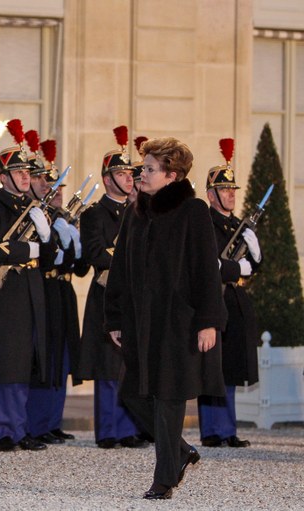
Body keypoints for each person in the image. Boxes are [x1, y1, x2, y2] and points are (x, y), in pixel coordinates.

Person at [105, 137, 227, 500]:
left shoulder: (193, 211)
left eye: (149, 169)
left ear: (172, 175)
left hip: (178, 323)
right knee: (132, 394)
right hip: (139, 322)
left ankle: (164, 479)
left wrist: (208, 321)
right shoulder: (137, 211)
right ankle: (181, 452)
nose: (140, 174)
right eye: (142, 168)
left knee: (169, 397)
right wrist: (114, 318)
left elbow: (206, 270)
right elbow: (119, 269)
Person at [0, 119, 57, 452]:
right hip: (3, 295)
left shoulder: (32, 209)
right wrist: (31, 249)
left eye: (26, 172)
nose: (24, 177)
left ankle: (21, 428)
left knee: (26, 362)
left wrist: (46, 236)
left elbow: (49, 257)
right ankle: (4, 431)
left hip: (31, 290)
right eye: (17, 172)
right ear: (3, 176)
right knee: (5, 362)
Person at [76, 126, 146, 449]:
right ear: (107, 179)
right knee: (107, 365)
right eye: (120, 173)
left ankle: (128, 428)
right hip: (107, 294)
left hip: (133, 295)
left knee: (129, 364)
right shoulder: (95, 214)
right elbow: (95, 252)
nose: (128, 179)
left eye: (130, 173)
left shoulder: (138, 212)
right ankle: (107, 430)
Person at [198, 138, 259, 448]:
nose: (231, 194)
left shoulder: (238, 225)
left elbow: (251, 264)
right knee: (213, 367)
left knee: (231, 366)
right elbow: (211, 265)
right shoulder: (205, 224)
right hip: (214, 299)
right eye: (224, 190)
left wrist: (255, 256)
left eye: (233, 190)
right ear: (211, 195)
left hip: (234, 300)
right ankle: (212, 430)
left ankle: (228, 429)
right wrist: (240, 269)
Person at [24, 137, 84, 445]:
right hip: (43, 287)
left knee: (61, 356)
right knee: (43, 356)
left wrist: (74, 245)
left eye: (58, 187)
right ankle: (35, 423)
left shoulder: (60, 218)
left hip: (62, 289)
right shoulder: (32, 215)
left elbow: (78, 267)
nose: (54, 191)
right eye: (46, 183)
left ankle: (51, 420)